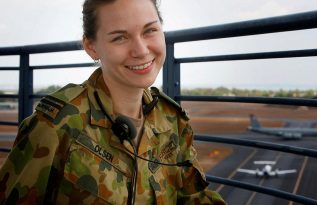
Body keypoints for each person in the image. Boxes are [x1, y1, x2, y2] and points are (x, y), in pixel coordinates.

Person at [0, 0, 227, 204]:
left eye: (150, 30)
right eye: (120, 37)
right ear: (91, 47)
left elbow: (193, 197)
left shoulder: (171, 119)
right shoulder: (57, 125)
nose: (141, 50)